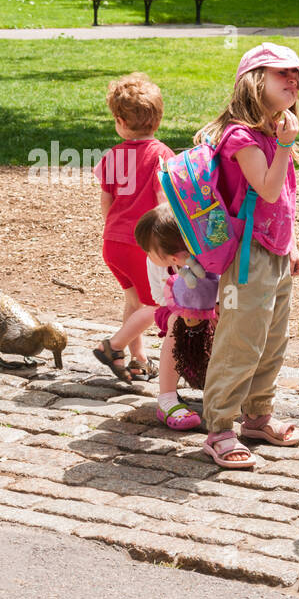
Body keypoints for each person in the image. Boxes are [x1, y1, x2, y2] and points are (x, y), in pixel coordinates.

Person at [198, 43, 299, 469]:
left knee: (271, 340)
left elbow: (281, 201)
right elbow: (266, 189)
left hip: (274, 252)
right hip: (246, 257)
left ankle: (256, 417)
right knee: (241, 341)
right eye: (282, 74)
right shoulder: (240, 136)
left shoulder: (271, 133)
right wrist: (286, 144)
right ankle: (219, 428)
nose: (293, 82)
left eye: (296, 78)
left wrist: (291, 244)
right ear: (254, 81)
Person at [91, 73, 175, 382]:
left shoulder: (112, 157)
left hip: (113, 243)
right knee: (160, 306)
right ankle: (113, 346)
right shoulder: (161, 156)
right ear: (157, 119)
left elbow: (106, 203)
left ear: (119, 121)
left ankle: (139, 359)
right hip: (145, 246)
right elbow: (163, 202)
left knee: (134, 301)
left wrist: (115, 230)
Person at [131, 205, 221, 431]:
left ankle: (226, 389)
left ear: (171, 255)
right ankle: (168, 398)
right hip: (175, 312)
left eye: (149, 251)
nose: (147, 256)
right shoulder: (155, 263)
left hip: (212, 311)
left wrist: (213, 308)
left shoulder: (207, 259)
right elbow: (159, 298)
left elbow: (222, 285)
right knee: (177, 324)